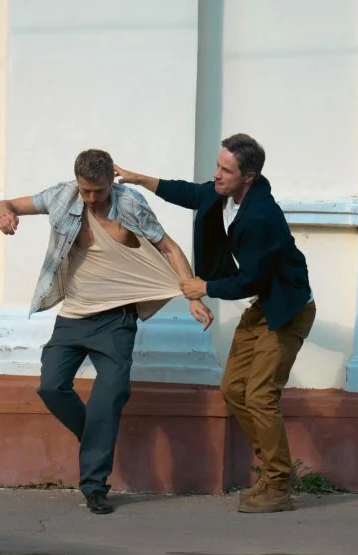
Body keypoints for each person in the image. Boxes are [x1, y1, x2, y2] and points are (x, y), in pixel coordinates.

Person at [0, 148, 213, 514]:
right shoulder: (62, 196)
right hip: (74, 316)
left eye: (98, 190)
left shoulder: (131, 204)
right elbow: (7, 203)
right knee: (51, 387)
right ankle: (96, 438)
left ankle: (94, 487)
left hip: (116, 320)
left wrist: (192, 296)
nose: (91, 198)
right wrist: (3, 213)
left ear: (112, 180)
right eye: (85, 190)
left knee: (108, 397)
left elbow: (170, 248)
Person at [113, 133, 315, 513]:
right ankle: (273, 472)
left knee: (259, 395)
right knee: (234, 389)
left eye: (226, 170)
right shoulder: (223, 194)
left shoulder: (261, 216)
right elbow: (189, 192)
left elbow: (252, 279)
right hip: (262, 307)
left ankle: (277, 485)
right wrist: (140, 179)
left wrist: (203, 287)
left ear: (248, 177)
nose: (217, 175)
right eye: (217, 165)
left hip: (287, 310)